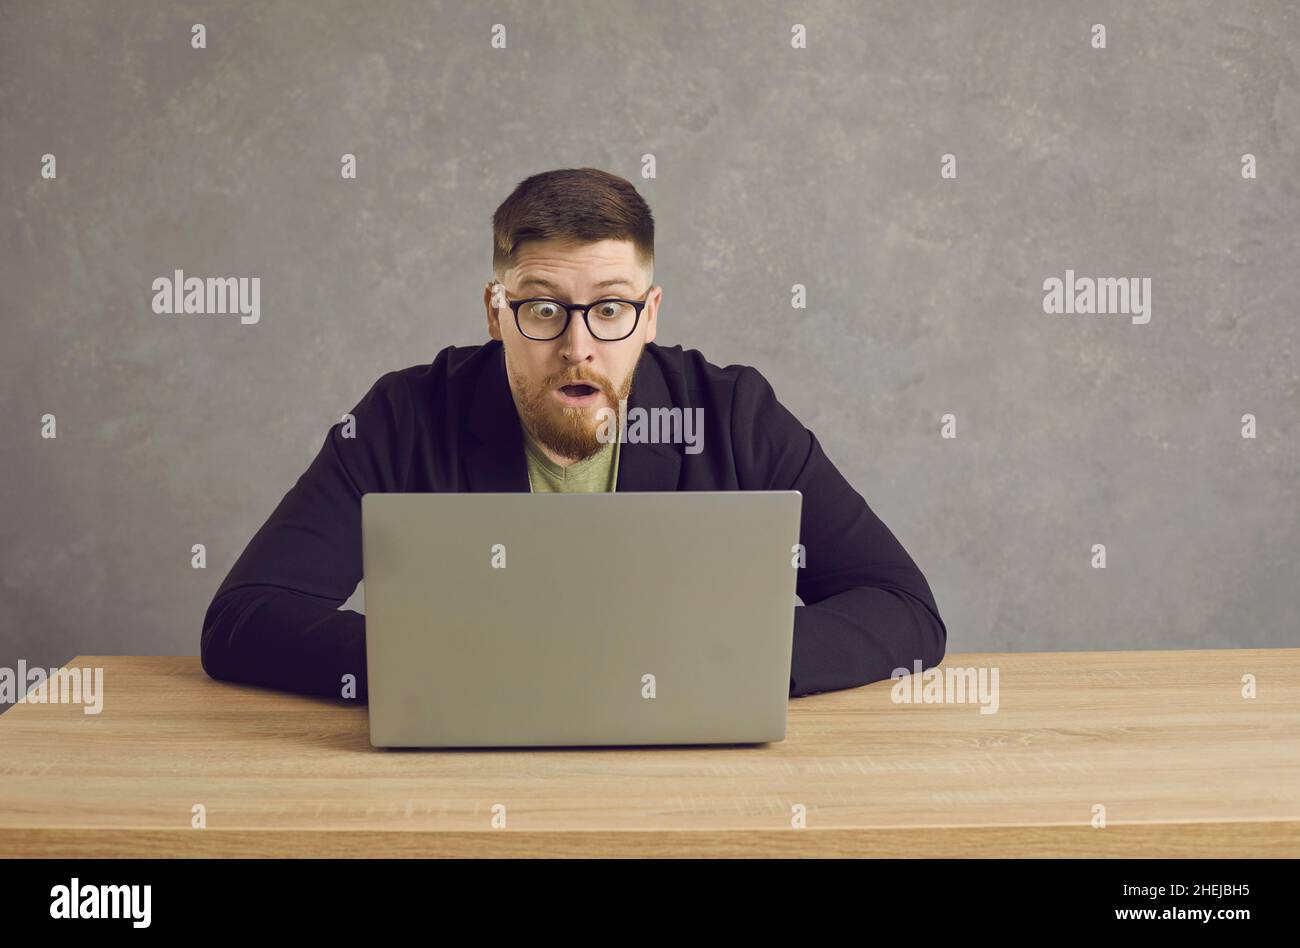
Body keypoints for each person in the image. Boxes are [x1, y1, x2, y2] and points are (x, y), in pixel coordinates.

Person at [201, 167, 946, 700]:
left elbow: (902, 608)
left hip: (690, 793)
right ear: (496, 313)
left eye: (611, 308)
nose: (578, 346)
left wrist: (712, 663)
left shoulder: (734, 415)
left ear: (650, 315)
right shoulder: (403, 417)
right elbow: (243, 618)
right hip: (462, 790)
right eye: (543, 308)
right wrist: (451, 666)